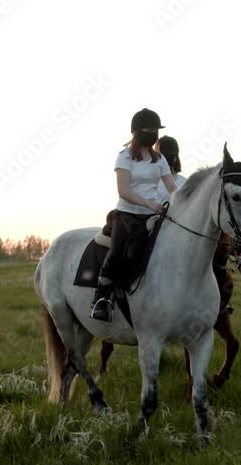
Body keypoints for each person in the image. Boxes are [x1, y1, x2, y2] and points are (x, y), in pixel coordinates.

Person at [91, 108, 176, 321]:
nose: (154, 133)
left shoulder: (160, 158)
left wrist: (182, 203)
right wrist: (149, 203)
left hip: (153, 215)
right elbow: (124, 191)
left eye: (156, 129)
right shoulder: (125, 157)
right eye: (150, 129)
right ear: (137, 131)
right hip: (127, 215)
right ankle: (101, 298)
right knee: (117, 253)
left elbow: (172, 188)